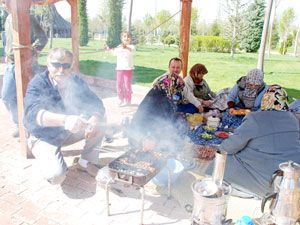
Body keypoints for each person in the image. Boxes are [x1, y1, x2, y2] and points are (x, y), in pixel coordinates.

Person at [23, 48, 106, 185]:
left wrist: (95, 117)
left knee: (101, 123)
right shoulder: (38, 83)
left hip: (68, 130)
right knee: (56, 176)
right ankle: (49, 160)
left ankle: (85, 163)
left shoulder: (75, 81)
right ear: (48, 65)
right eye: (56, 65)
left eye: (66, 66)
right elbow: (32, 113)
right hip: (43, 136)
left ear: (71, 67)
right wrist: (65, 120)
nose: (61, 70)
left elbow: (95, 102)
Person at [206, 85, 300, 198]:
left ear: (265, 99)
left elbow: (231, 146)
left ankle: (246, 191)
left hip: (269, 181)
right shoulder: (292, 119)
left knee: (223, 161)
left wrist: (219, 149)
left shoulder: (256, 118)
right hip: (291, 177)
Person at [1, 0, 48, 137]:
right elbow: (9, 41)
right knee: (7, 97)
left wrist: (31, 52)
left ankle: (31, 125)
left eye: (6, 2)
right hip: (11, 64)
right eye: (3, 3)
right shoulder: (8, 18)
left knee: (31, 96)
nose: (4, 5)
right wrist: (7, 52)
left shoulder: (28, 17)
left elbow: (42, 38)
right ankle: (19, 124)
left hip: (27, 64)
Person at [128, 72, 186, 151]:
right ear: (171, 86)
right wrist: (149, 138)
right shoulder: (159, 97)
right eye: (176, 89)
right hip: (142, 137)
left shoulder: (160, 92)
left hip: (149, 133)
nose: (176, 92)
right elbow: (155, 121)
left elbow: (168, 116)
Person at [110, 31, 134, 107]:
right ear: (121, 38)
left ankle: (128, 100)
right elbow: (113, 53)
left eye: (128, 37)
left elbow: (131, 50)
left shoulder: (132, 47)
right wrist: (109, 49)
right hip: (119, 69)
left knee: (127, 85)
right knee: (119, 85)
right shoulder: (119, 47)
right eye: (124, 36)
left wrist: (125, 46)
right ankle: (120, 99)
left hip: (128, 69)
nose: (126, 38)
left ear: (130, 39)